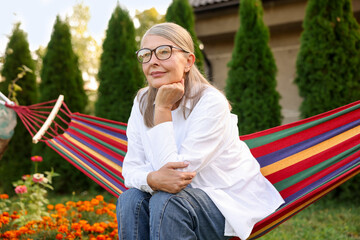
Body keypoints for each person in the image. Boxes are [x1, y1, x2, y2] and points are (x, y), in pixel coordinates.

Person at [116, 22, 284, 240]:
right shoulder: (141, 101)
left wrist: (163, 109)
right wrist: (152, 179)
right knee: (131, 200)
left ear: (188, 61)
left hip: (226, 201)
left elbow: (176, 179)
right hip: (175, 202)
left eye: (164, 52)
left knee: (166, 201)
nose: (153, 61)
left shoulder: (210, 102)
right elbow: (130, 169)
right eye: (145, 55)